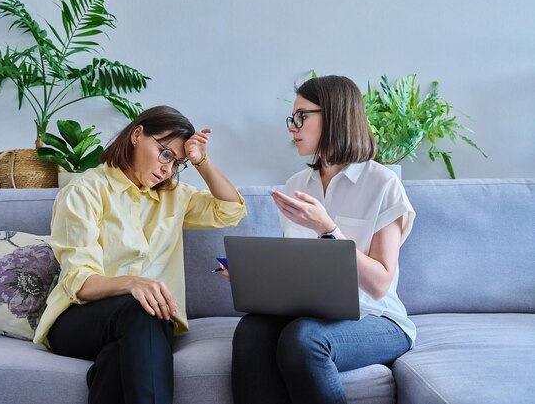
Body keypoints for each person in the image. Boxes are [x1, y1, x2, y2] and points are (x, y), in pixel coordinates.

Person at [33, 105, 247, 404]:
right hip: (78, 319)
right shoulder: (85, 191)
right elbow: (79, 281)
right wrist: (133, 283)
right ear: (137, 134)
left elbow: (231, 211)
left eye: (178, 163)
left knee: (117, 358)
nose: (167, 169)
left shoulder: (174, 196)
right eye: (165, 154)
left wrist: (203, 162)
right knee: (142, 309)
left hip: (147, 324)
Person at [228, 75, 416, 404]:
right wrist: (257, 277)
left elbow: (379, 284)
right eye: (292, 118)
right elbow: (298, 271)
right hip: (312, 312)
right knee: (251, 331)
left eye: (302, 116)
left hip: (376, 317)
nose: (292, 126)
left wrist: (329, 230)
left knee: (304, 339)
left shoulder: (383, 184)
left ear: (334, 115)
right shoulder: (296, 184)